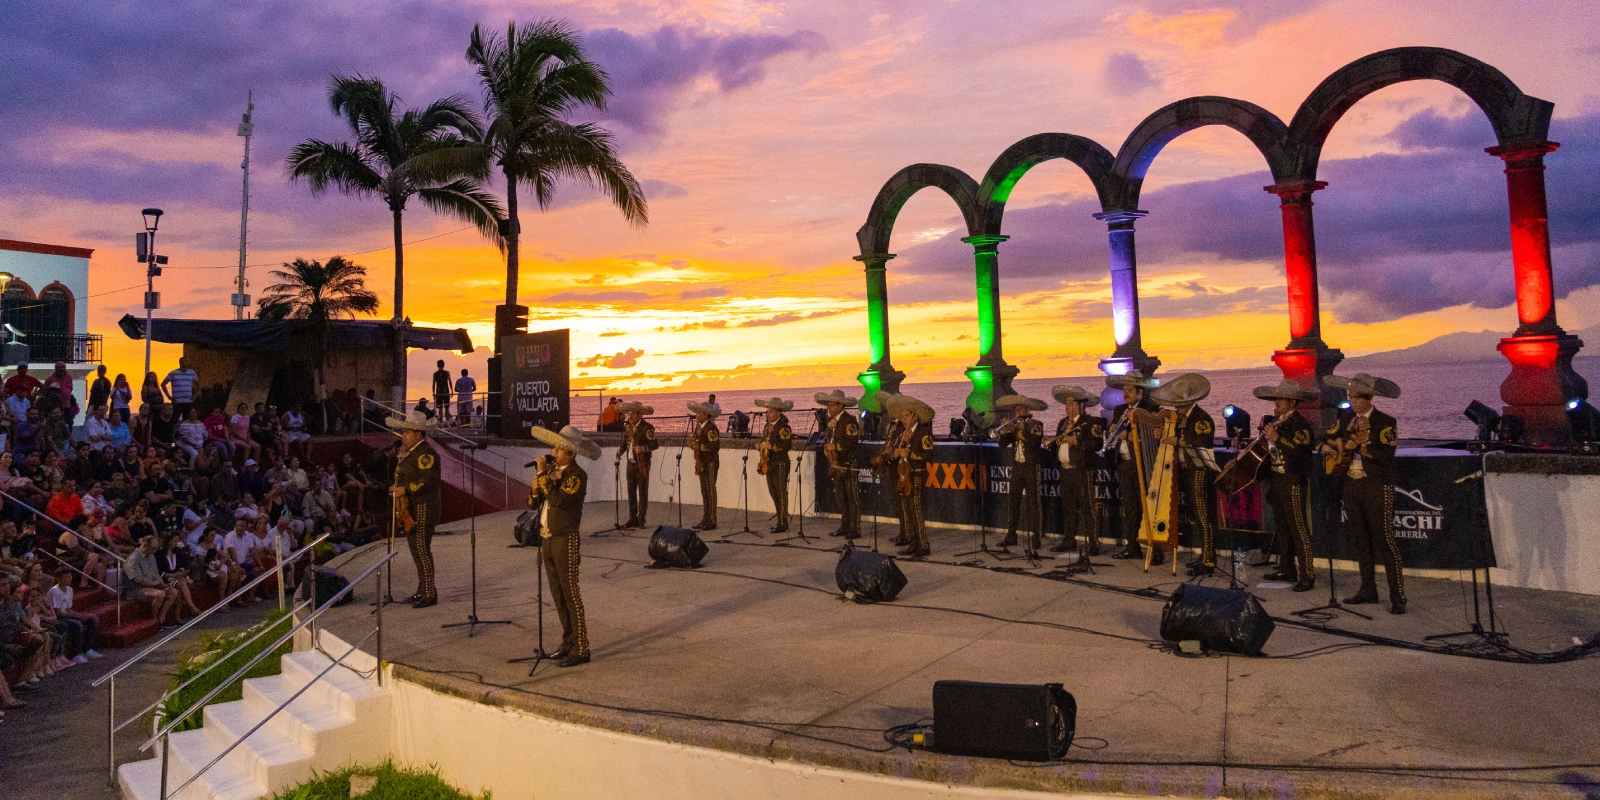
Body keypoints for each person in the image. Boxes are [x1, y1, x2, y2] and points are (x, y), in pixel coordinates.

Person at [1322, 372, 1406, 614]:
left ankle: (1397, 595)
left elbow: (1386, 457)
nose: (1352, 402)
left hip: (1376, 486)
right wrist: (1332, 448)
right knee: (1360, 540)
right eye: (1350, 397)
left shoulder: (1385, 422)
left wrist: (1362, 447)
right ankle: (1367, 589)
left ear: (1369, 398)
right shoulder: (1346, 417)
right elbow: (1328, 437)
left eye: (1356, 398)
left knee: (1385, 540)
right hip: (1351, 484)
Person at [528, 424, 600, 667]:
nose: (554, 451)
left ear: (571, 454)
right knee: (557, 595)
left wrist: (542, 476)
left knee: (571, 595)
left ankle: (582, 647)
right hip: (547, 538)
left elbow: (558, 501)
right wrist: (536, 487)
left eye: (560, 448)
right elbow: (533, 504)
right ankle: (568, 641)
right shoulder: (551, 473)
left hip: (565, 539)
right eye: (555, 447)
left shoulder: (577, 476)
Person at [1147, 374, 1220, 577]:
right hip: (1188, 470)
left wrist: (1176, 440)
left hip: (1199, 472)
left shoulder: (1201, 419)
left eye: (1178, 405)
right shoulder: (1183, 418)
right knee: (1198, 516)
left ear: (1188, 402)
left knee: (1203, 517)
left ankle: (1208, 559)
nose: (1176, 409)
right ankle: (1205, 556)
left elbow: (1201, 441)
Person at [1254, 380, 1319, 592]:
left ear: (1292, 401)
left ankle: (1307, 574)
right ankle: (1286, 567)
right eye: (1276, 398)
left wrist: (1277, 438)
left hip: (1293, 480)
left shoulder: (1300, 425)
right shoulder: (1274, 421)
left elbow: (1301, 452)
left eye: (1280, 398)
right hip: (1276, 478)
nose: (1276, 402)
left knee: (1298, 528)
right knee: (1282, 527)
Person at [1105, 374, 1164, 565]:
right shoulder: (1120, 409)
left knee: (1147, 507)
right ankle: (1132, 547)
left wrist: (1128, 436)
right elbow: (1113, 432)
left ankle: (1154, 550)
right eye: (1124, 390)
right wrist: (1112, 429)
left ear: (1140, 391)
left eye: (1130, 390)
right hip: (1124, 463)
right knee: (1130, 508)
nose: (1125, 394)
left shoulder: (1151, 410)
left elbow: (1152, 438)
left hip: (1144, 463)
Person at [387, 410, 442, 608]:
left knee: (422, 550)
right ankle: (422, 589)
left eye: (407, 433)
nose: (404, 436)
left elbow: (428, 480)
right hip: (410, 508)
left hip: (423, 507)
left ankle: (429, 593)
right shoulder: (412, 453)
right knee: (416, 550)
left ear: (418, 434)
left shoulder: (426, 454)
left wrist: (406, 489)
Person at [1051, 386, 1106, 554]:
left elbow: (1096, 444)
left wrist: (1076, 442)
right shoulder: (1062, 423)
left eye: (1070, 403)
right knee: (1068, 509)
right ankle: (1069, 541)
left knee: (1088, 508)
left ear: (1080, 405)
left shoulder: (1091, 422)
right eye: (1066, 404)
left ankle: (1093, 544)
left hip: (1082, 471)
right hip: (1066, 471)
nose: (1066, 407)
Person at [994, 394, 1048, 555]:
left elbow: (1035, 442)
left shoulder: (1035, 424)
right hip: (1017, 467)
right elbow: (1003, 444)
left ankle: (1036, 536)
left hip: (1032, 467)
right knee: (1013, 501)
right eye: (1015, 409)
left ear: (1027, 409)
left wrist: (1019, 429)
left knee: (1034, 502)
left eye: (1019, 408)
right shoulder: (1015, 426)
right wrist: (1004, 431)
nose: (1016, 411)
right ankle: (1011, 535)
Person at [887, 394, 934, 557]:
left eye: (907, 416)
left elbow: (928, 455)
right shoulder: (902, 434)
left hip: (916, 474)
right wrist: (896, 452)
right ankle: (913, 543)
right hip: (903, 475)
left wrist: (910, 453)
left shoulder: (923, 433)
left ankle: (923, 544)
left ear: (915, 416)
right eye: (903, 416)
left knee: (916, 510)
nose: (904, 419)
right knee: (907, 510)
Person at [815, 390, 860, 540]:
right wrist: (827, 447)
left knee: (852, 496)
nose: (829, 408)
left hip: (847, 462)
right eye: (828, 405)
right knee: (841, 496)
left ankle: (855, 528)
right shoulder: (831, 422)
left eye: (832, 405)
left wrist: (837, 447)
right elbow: (828, 439)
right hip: (835, 462)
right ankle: (844, 525)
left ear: (841, 405)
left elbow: (853, 442)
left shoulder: (849, 421)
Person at [868, 392, 906, 545]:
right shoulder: (891, 424)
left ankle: (906, 533)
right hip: (890, 465)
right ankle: (903, 532)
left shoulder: (901, 425)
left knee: (902, 502)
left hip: (900, 467)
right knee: (896, 501)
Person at [616, 402, 659, 529]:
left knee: (642, 492)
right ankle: (632, 517)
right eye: (629, 413)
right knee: (631, 491)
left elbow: (655, 444)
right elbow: (625, 442)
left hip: (642, 464)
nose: (630, 416)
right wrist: (620, 451)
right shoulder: (628, 427)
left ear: (639, 415)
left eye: (633, 413)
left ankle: (641, 519)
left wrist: (644, 448)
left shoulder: (647, 428)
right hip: (630, 463)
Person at [754, 398, 794, 533]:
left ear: (778, 413)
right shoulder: (767, 426)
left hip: (780, 462)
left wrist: (771, 446)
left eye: (770, 412)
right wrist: (759, 446)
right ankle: (779, 520)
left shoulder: (784, 427)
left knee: (781, 492)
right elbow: (763, 441)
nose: (768, 414)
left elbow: (787, 446)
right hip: (769, 463)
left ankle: (783, 522)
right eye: (767, 412)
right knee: (773, 492)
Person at [124, 535, 180, 627]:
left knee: (173, 592)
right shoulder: (133, 559)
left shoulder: (151, 556)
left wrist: (162, 584)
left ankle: (161, 618)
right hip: (137, 589)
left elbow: (156, 574)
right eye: (153, 548)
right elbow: (137, 579)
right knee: (160, 594)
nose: (154, 551)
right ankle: (153, 620)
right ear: (145, 545)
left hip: (152, 586)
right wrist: (155, 583)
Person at [46, 570, 101, 662]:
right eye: (66, 577)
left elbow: (68, 609)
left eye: (70, 576)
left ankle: (87, 649)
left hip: (66, 614)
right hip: (58, 617)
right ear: (59, 578)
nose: (69, 579)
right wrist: (77, 616)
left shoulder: (69, 590)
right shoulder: (54, 591)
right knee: (77, 624)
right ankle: (76, 654)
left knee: (91, 619)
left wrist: (79, 615)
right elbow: (58, 612)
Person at [686, 400, 722, 531]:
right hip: (701, 462)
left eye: (700, 413)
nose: (697, 415)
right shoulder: (699, 427)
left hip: (710, 462)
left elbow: (714, 447)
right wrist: (692, 444)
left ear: (706, 414)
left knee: (710, 490)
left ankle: (712, 519)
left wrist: (698, 446)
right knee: (704, 491)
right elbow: (696, 444)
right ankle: (706, 517)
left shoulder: (711, 428)